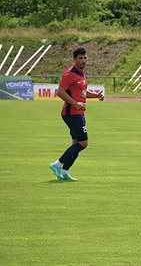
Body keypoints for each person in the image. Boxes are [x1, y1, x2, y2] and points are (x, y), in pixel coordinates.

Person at [49, 47, 104, 181]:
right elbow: (60, 92)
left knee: (76, 144)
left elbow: (82, 93)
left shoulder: (82, 74)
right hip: (71, 113)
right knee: (83, 143)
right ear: (74, 59)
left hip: (78, 112)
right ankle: (58, 164)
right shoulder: (69, 74)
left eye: (85, 58)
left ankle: (64, 172)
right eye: (80, 58)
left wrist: (95, 95)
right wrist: (75, 104)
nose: (83, 60)